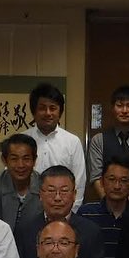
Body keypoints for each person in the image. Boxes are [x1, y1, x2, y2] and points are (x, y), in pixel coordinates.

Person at [14, 165, 105, 258]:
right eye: (51, 191)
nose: (57, 198)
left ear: (74, 195)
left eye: (64, 191)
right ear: (40, 195)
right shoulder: (25, 230)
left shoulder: (91, 231)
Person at [77, 156, 129, 258]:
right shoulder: (86, 213)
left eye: (124, 181)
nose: (117, 186)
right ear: (102, 181)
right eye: (111, 179)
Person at [25, 83, 87, 211]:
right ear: (34, 111)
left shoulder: (72, 142)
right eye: (42, 108)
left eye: (53, 108)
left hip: (63, 212)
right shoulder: (22, 141)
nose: (48, 113)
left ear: (60, 112)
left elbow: (79, 183)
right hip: (27, 211)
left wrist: (70, 213)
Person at [0, 133, 43, 230]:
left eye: (26, 159)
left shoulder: (44, 186)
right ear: (4, 160)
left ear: (34, 160)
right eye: (14, 159)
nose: (20, 165)